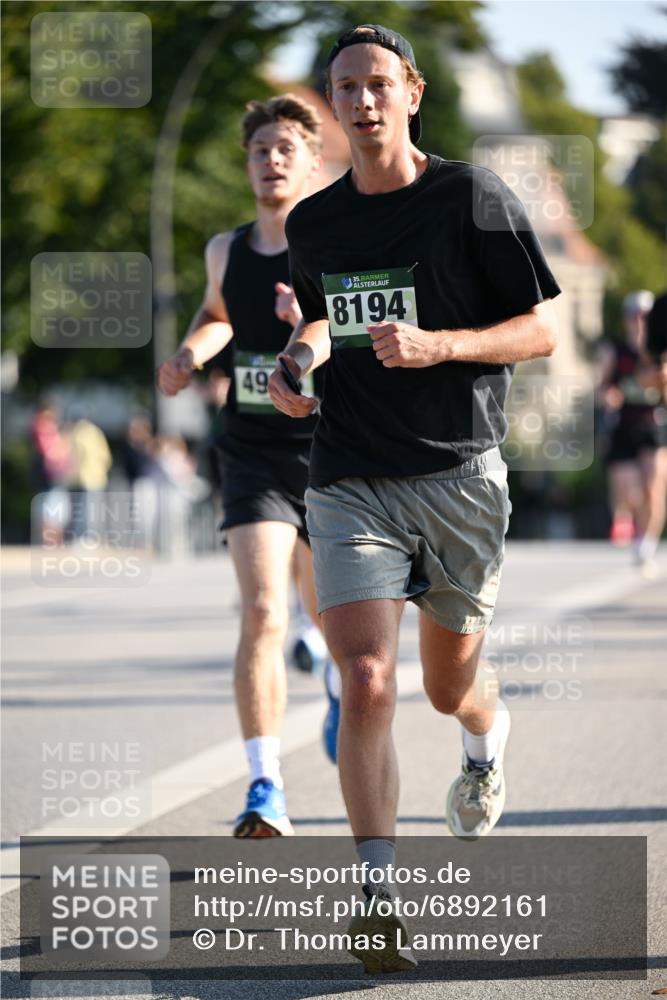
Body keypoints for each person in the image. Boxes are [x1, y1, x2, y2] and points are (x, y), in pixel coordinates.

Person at [268, 24, 560, 972]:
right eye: (344, 86)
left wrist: (441, 344)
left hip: (458, 475)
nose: (361, 101)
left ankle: (485, 740)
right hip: (349, 474)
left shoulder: (468, 195)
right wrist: (298, 359)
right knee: (363, 680)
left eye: (377, 84)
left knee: (446, 691)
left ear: (413, 92)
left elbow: (539, 331)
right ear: (331, 101)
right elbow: (320, 311)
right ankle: (377, 895)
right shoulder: (314, 223)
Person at [157, 94, 341, 839]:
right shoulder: (224, 250)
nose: (271, 160)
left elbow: (357, 336)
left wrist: (306, 329)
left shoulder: (333, 246)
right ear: (248, 163)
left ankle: (336, 681)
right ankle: (264, 785)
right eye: (260, 149)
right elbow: (217, 315)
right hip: (254, 453)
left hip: (333, 453)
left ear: (311, 162)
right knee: (264, 612)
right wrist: (188, 354)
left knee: (331, 616)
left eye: (285, 149)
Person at [598, 290, 666, 572]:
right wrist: (608, 396)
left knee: (654, 486)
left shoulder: (660, 348)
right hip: (624, 425)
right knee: (629, 491)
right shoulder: (614, 349)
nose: (639, 320)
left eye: (645, 316)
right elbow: (601, 387)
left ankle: (647, 543)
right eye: (634, 315)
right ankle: (632, 523)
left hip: (654, 423)